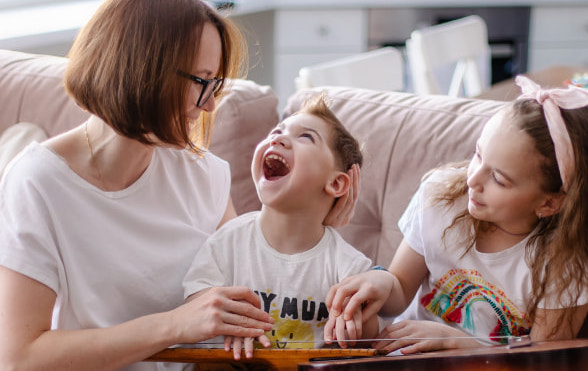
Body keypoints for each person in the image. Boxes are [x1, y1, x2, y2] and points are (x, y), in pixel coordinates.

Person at [0, 1, 358, 370]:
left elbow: (257, 294)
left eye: (214, 85)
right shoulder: (38, 182)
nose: (207, 107)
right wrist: (173, 325)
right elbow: (20, 358)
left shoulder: (203, 176)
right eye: (201, 83)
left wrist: (311, 221)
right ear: (143, 70)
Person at [324, 75, 588, 355]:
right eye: (478, 155)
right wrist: (380, 284)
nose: (472, 180)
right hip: (403, 358)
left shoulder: (563, 269)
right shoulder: (440, 199)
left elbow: (538, 362)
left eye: (499, 179)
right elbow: (401, 287)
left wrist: (457, 342)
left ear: (549, 204)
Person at [183, 94, 378, 360]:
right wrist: (228, 318)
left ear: (336, 184)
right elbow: (194, 297)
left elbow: (373, 334)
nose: (277, 138)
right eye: (276, 131)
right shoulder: (228, 241)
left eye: (305, 137)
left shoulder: (348, 267)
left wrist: (356, 321)